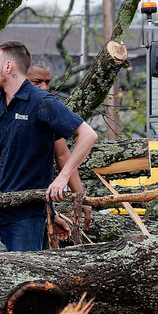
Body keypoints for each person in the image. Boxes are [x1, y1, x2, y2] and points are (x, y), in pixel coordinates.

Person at [0, 41, 98, 252]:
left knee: (25, 278)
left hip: (26, 213)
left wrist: (62, 179)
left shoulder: (42, 102)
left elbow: (88, 135)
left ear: (8, 67)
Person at [26, 58, 92, 232]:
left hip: (36, 204)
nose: (44, 87)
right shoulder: (0, 107)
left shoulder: (45, 108)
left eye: (47, 82)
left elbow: (62, 154)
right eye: (37, 82)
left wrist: (80, 197)